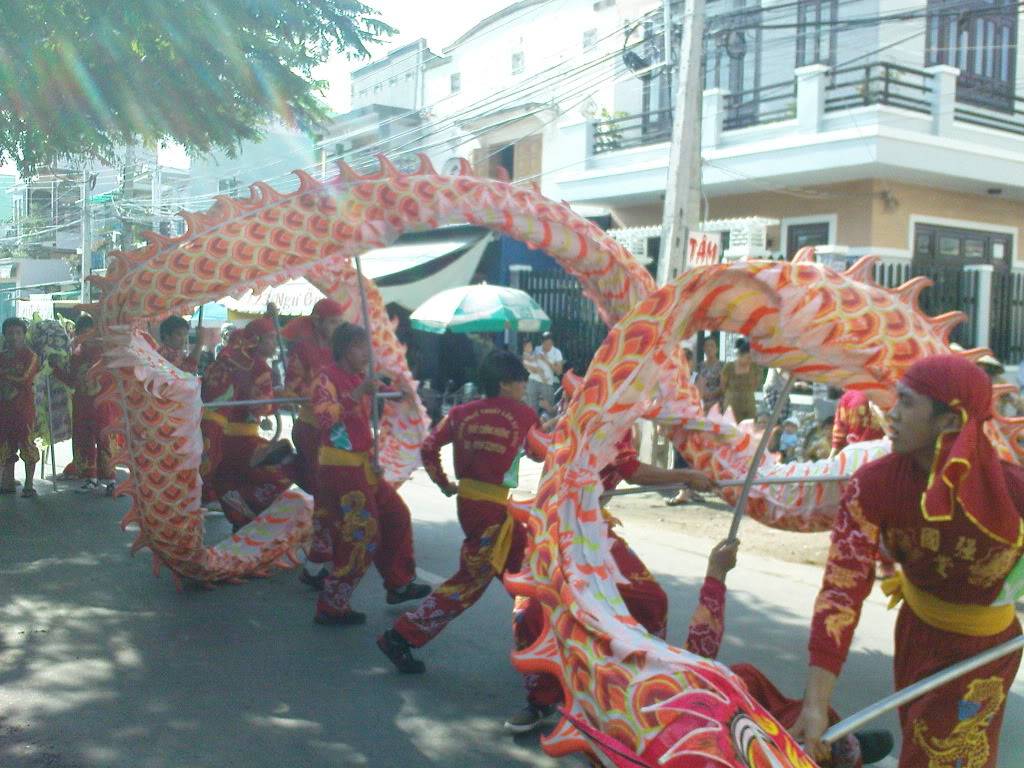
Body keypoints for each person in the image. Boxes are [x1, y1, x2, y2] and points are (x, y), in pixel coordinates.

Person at [791, 354, 1023, 766]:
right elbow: (841, 591)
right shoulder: (873, 485)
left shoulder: (1012, 490)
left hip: (984, 648)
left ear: (949, 422)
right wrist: (816, 701)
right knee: (920, 739)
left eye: (907, 403)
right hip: (917, 632)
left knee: (937, 756)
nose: (891, 414)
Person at [504, 430, 716, 732]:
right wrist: (687, 475)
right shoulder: (599, 409)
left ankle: (643, 680)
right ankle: (541, 700)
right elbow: (633, 471)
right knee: (530, 615)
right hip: (554, 525)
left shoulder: (622, 416)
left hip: (593, 526)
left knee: (650, 601)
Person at [377, 350, 539, 673]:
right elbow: (537, 453)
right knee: (470, 584)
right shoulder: (523, 414)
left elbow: (428, 448)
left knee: (528, 576)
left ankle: (541, 644)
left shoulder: (461, 412)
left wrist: (444, 483)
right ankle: (402, 635)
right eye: (521, 381)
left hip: (471, 504)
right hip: (495, 511)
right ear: (506, 384)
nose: (524, 387)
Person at [310, 322, 430, 626]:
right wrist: (356, 393)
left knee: (397, 515)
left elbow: (383, 400)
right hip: (339, 469)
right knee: (363, 532)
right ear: (345, 348)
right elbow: (325, 418)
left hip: (363, 464)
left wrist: (400, 393)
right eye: (361, 346)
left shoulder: (360, 377)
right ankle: (332, 601)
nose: (367, 353)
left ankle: (399, 582)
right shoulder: (326, 377)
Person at [200, 317, 296, 530]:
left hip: (225, 438)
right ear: (257, 341)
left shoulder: (238, 362)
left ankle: (240, 514)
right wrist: (279, 400)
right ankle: (249, 512)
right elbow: (259, 408)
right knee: (288, 469)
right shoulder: (260, 368)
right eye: (270, 339)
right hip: (244, 440)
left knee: (231, 479)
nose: (274, 343)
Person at [282, 298, 346, 589]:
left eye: (339, 323)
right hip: (310, 427)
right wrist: (322, 394)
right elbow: (292, 388)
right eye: (332, 322)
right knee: (325, 495)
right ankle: (318, 561)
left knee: (338, 492)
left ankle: (327, 556)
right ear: (318, 321)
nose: (337, 328)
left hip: (337, 431)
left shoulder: (343, 349)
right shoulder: (303, 348)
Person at [49, 315, 115, 493]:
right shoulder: (75, 357)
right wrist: (56, 368)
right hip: (81, 406)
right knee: (83, 441)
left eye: (91, 333)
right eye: (83, 334)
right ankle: (90, 478)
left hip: (103, 407)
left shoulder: (108, 354)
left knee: (105, 442)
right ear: (77, 335)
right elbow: (71, 381)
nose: (87, 337)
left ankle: (110, 480)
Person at [1, 317, 41, 497]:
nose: (14, 337)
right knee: (5, 445)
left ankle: (29, 485)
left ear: (24, 335)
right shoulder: (1, 356)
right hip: (4, 410)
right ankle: (8, 482)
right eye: (10, 333)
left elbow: (25, 379)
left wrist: (3, 375)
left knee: (27, 443)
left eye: (18, 333)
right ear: (4, 335)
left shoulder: (31, 356)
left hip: (24, 409)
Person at [829, 389, 886, 458]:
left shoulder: (847, 398)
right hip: (880, 453)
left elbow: (839, 435)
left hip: (855, 455)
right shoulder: (886, 394)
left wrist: (830, 459)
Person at [721, 337, 762, 423]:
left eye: (751, 358)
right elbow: (723, 386)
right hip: (731, 406)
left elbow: (756, 385)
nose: (749, 360)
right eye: (747, 358)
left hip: (749, 406)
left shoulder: (755, 368)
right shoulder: (729, 367)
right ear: (740, 355)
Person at [525, 332, 563, 418]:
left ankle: (548, 429)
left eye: (549, 343)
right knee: (531, 409)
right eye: (545, 343)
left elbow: (559, 371)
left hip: (547, 383)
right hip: (533, 381)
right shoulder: (536, 349)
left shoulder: (556, 352)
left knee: (549, 410)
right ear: (542, 342)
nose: (547, 345)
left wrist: (546, 360)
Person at [695, 336, 724, 412]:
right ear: (704, 349)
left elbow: (723, 386)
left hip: (718, 403)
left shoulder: (722, 366)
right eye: (707, 346)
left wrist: (711, 394)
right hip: (703, 403)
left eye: (712, 346)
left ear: (716, 349)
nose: (709, 348)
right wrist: (703, 395)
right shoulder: (699, 366)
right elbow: (696, 385)